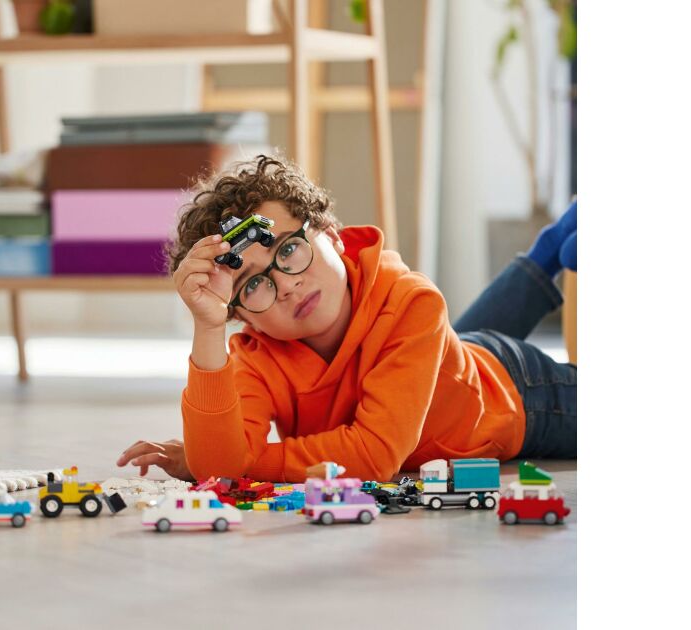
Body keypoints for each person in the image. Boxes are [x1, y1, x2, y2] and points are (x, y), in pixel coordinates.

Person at [116, 155, 576, 482]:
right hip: (441, 368)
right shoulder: (255, 357)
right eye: (252, 285)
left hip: (518, 394)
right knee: (455, 345)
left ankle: (557, 248)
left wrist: (242, 461)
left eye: (289, 249)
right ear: (243, 319)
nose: (286, 284)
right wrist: (207, 326)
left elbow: (374, 456)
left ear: (332, 235)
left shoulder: (412, 303)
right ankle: (548, 249)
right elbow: (220, 467)